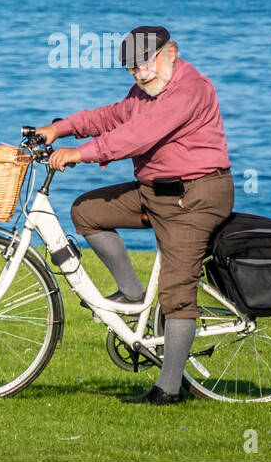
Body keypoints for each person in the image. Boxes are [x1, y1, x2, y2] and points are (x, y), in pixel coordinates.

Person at [36, 26, 233, 405]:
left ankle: (169, 389)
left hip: (196, 196)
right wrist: (58, 129)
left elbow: (137, 136)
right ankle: (131, 291)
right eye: (132, 69)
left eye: (146, 63)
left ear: (171, 52)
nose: (141, 74)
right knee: (87, 211)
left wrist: (81, 154)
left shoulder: (190, 88)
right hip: (155, 193)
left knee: (177, 292)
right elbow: (111, 117)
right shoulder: (144, 92)